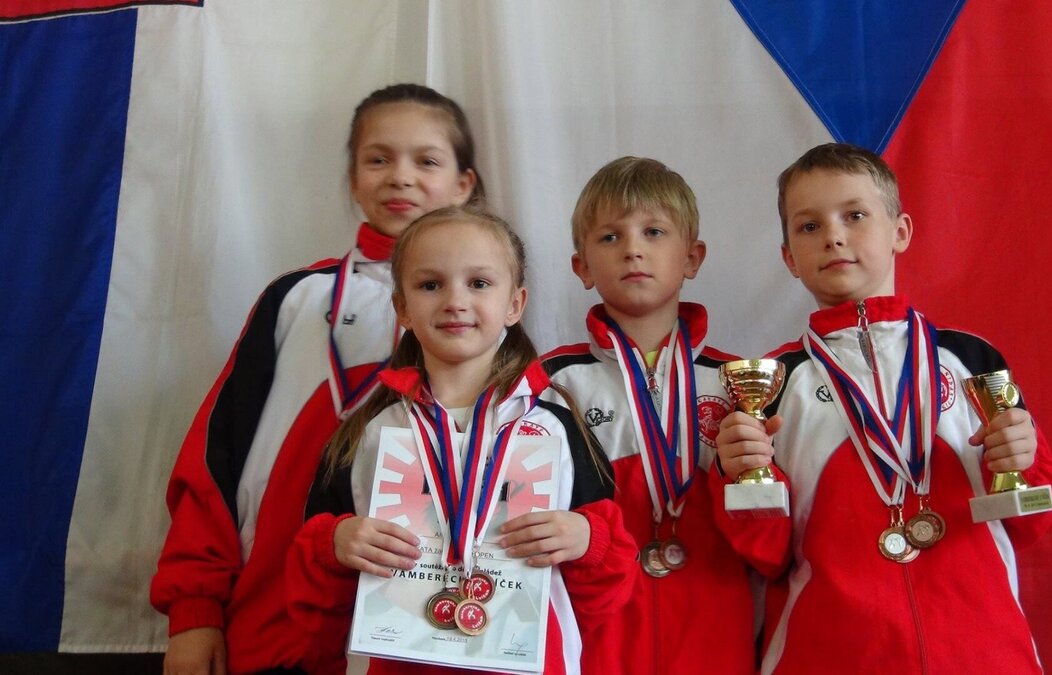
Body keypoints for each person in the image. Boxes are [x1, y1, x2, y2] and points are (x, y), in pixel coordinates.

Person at [150, 83, 483, 675]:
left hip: (420, 635)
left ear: (464, 184)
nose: (400, 177)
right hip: (272, 623)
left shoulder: (486, 315)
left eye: (426, 161)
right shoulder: (295, 300)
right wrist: (194, 607)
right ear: (353, 179)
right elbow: (215, 459)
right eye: (378, 159)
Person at [716, 142, 1052, 674]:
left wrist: (1022, 460)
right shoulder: (773, 382)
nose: (833, 236)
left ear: (900, 231)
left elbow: (1030, 520)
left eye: (854, 216)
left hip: (982, 654)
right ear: (789, 258)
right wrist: (740, 476)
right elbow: (766, 555)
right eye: (809, 226)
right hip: (832, 657)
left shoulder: (970, 360)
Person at [287, 206, 638, 675]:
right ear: (402, 308)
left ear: (515, 304)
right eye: (431, 285)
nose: (455, 301)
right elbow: (316, 605)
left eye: (478, 283)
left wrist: (587, 541)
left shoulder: (557, 428)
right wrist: (333, 546)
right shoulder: (367, 432)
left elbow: (605, 596)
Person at [541, 157, 792, 674]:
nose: (632, 249)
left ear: (692, 257)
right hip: (596, 641)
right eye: (610, 237)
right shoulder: (551, 385)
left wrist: (740, 477)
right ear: (582, 267)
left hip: (715, 640)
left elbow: (773, 555)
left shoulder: (738, 382)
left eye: (653, 232)